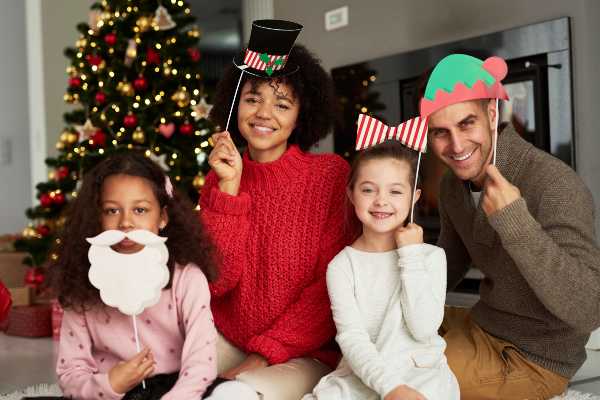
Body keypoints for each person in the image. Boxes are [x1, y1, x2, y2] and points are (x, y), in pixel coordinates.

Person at [421, 53, 600, 399]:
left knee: (404, 376)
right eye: (440, 132)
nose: (456, 146)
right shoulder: (450, 186)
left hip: (533, 358)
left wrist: (515, 223)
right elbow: (451, 261)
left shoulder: (554, 184)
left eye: (466, 124)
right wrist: (400, 275)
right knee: (381, 341)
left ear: (491, 114)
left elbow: (589, 310)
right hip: (483, 323)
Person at [200, 19, 353, 400]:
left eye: (282, 103)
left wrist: (264, 353)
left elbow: (331, 288)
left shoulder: (330, 176)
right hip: (228, 337)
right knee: (153, 376)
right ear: (235, 105)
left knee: (228, 397)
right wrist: (230, 190)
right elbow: (216, 282)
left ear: (302, 114)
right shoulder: (218, 177)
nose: (264, 113)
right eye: (252, 99)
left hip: (302, 352)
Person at [49, 152, 218, 399]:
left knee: (236, 393)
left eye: (140, 210)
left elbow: (201, 362)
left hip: (180, 389)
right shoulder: (82, 284)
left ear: (162, 217)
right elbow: (70, 373)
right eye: (111, 210)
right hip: (112, 393)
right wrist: (110, 385)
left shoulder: (187, 279)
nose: (126, 222)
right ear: (97, 217)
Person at [304, 139, 459, 400]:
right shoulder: (342, 267)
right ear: (351, 193)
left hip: (419, 373)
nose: (381, 201)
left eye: (395, 192)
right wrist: (390, 388)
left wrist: (411, 256)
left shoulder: (431, 258)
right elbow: (353, 339)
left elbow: (423, 329)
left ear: (414, 197)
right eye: (368, 190)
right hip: (365, 372)